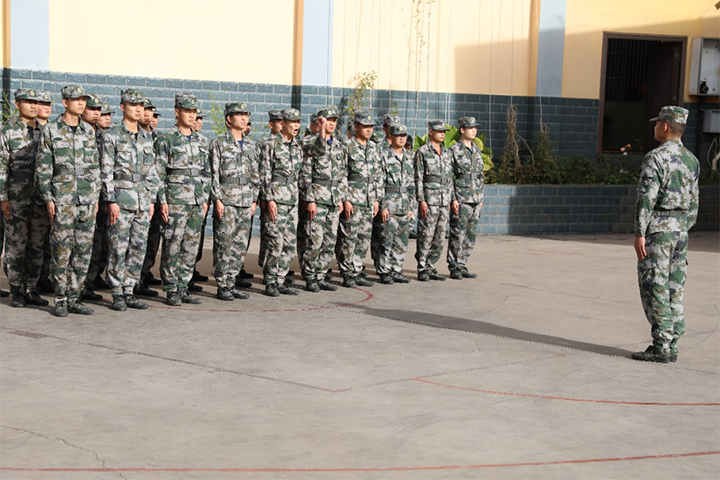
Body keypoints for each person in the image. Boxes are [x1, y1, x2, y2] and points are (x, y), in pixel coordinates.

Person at [632, 106, 699, 363]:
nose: (655, 127)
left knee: (655, 285)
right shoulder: (692, 160)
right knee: (675, 287)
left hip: (658, 231)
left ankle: (661, 346)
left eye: (657, 123)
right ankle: (672, 344)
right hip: (681, 231)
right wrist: (681, 227)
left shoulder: (655, 158)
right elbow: (694, 203)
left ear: (665, 126)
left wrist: (640, 232)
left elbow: (646, 198)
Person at [36, 85, 100, 316]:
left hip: (87, 199)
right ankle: (61, 298)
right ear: (65, 102)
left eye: (83, 99)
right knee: (62, 250)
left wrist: (96, 196)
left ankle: (75, 297)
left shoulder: (88, 130)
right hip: (63, 199)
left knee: (83, 250)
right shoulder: (51, 130)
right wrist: (48, 198)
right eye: (76, 99)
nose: (81, 103)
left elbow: (94, 166)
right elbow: (44, 167)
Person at [101, 88, 160, 311]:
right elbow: (106, 170)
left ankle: (130, 290)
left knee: (138, 247)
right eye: (133, 105)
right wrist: (110, 200)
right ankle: (117, 291)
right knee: (118, 247)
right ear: (122, 107)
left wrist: (152, 200)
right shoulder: (112, 135)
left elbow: (152, 172)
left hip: (143, 201)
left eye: (141, 106)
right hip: (121, 200)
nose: (138, 109)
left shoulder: (147, 137)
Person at [155, 92, 210, 306]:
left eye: (194, 111)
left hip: (196, 201)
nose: (191, 115)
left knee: (191, 246)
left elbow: (207, 172)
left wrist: (205, 198)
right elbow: (159, 172)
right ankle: (171, 288)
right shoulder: (167, 138)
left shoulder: (201, 140)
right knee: (172, 245)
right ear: (177, 112)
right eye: (187, 111)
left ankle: (183, 286)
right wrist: (162, 200)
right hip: (176, 200)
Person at [0, 89, 50, 307]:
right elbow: (1, 165)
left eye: (35, 102)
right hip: (17, 195)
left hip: (40, 195)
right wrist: (3, 197)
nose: (33, 106)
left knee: (37, 244)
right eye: (28, 102)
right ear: (17, 104)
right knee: (16, 244)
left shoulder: (46, 131)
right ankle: (17, 290)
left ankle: (31, 288)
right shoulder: (8, 131)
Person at [209, 102, 259, 301]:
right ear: (229, 119)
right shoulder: (219, 142)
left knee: (240, 244)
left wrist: (254, 199)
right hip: (227, 201)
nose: (244, 118)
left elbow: (255, 175)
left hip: (245, 201)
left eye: (246, 114)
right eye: (239, 115)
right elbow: (213, 173)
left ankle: (232, 281)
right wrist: (217, 198)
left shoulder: (250, 145)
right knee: (224, 243)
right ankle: (222, 284)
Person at [258, 108, 304, 296]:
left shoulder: (297, 146)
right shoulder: (270, 144)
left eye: (298, 122)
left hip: (292, 199)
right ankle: (270, 280)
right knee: (274, 242)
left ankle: (280, 279)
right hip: (276, 199)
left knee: (289, 243)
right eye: (292, 122)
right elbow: (264, 173)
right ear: (283, 123)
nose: (296, 126)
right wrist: (269, 198)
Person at [300, 106, 346, 292]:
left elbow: (342, 174)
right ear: (320, 121)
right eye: (328, 120)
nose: (332, 123)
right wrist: (310, 199)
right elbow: (306, 173)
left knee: (329, 240)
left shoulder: (339, 146)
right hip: (318, 198)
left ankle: (321, 275)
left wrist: (341, 198)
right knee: (315, 240)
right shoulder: (310, 142)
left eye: (334, 120)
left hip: (333, 199)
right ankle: (310, 276)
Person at [336, 111, 382, 288]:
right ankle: (347, 272)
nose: (369, 129)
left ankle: (357, 270)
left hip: (369, 199)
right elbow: (341, 174)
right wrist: (346, 199)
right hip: (353, 199)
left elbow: (378, 175)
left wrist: (376, 199)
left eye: (371, 126)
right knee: (349, 236)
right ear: (356, 126)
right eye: (365, 126)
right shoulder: (347, 146)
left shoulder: (374, 148)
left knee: (363, 237)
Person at [375, 123, 415, 284]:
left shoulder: (409, 157)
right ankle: (384, 271)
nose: (402, 138)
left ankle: (396, 270)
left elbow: (412, 185)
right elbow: (380, 183)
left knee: (402, 241)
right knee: (386, 240)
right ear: (390, 136)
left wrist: (411, 207)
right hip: (390, 204)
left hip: (404, 205)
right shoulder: (384, 156)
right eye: (398, 135)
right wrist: (383, 206)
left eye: (404, 135)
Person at [414, 120, 453, 282]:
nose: (442, 134)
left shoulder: (447, 153)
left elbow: (450, 178)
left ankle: (431, 265)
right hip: (430, 200)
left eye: (444, 131)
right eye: (439, 131)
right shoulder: (422, 152)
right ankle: (422, 267)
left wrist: (451, 199)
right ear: (431, 132)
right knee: (426, 235)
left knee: (440, 236)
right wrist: (421, 200)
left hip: (444, 201)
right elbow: (418, 178)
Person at [447, 116, 484, 279]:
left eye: (475, 128)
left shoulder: (476, 150)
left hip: (475, 198)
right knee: (458, 233)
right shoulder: (454, 150)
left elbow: (480, 176)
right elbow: (449, 177)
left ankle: (462, 264)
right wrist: (453, 198)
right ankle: (454, 265)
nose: (474, 131)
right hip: (462, 198)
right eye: (471, 128)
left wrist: (481, 197)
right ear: (462, 130)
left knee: (470, 234)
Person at [254, 109, 284, 272]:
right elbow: (261, 171)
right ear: (271, 124)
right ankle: (265, 263)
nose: (282, 124)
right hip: (269, 194)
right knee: (269, 233)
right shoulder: (264, 143)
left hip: (285, 196)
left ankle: (279, 267)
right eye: (279, 122)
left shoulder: (290, 144)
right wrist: (264, 197)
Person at [34, 91, 54, 294]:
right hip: (26, 195)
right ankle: (27, 284)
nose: (45, 107)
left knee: (48, 241)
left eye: (49, 104)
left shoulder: (54, 130)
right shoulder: (24, 130)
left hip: (50, 194)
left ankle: (44, 278)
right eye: (42, 104)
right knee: (31, 242)